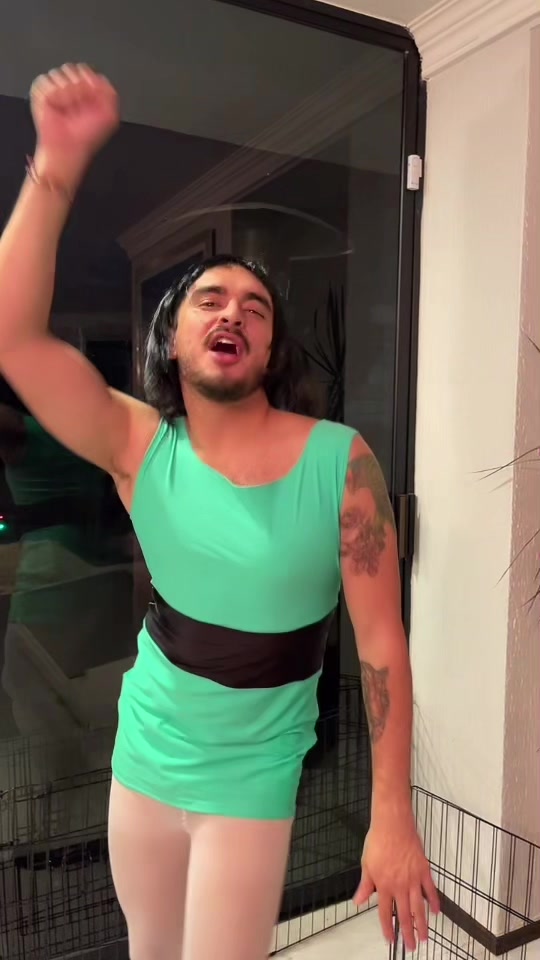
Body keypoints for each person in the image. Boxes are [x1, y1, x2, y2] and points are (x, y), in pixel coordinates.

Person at [0, 64, 439, 960]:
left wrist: (391, 815)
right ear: (174, 339)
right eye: (209, 299)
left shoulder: (340, 461)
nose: (231, 311)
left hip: (254, 781)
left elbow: (380, 643)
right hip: (145, 758)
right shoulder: (137, 443)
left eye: (254, 307)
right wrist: (56, 164)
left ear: (269, 348)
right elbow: (13, 338)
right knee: (150, 949)